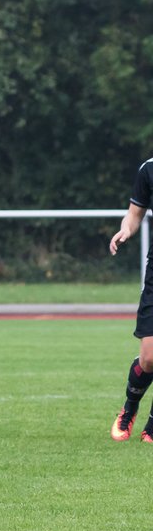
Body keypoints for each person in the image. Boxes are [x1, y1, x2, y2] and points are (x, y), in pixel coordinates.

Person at [107, 158, 153, 442]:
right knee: (149, 359)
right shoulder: (149, 169)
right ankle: (130, 407)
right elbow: (134, 214)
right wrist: (127, 230)